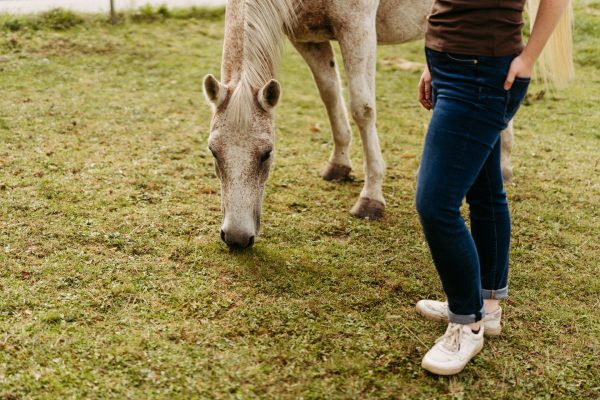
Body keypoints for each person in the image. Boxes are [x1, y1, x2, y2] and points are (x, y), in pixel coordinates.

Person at [414, 0, 571, 375]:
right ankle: (487, 307)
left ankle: (467, 323)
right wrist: (432, 63)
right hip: (451, 63)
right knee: (485, 191)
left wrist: (529, 57)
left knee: (436, 204)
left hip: (483, 74)